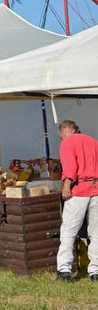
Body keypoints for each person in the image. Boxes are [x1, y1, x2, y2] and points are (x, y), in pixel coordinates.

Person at [56, 120, 98, 282]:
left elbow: (70, 168)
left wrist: (66, 186)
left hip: (79, 190)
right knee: (96, 233)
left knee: (68, 231)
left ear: (63, 132)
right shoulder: (94, 141)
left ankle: (64, 271)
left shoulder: (67, 142)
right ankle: (95, 271)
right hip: (96, 189)